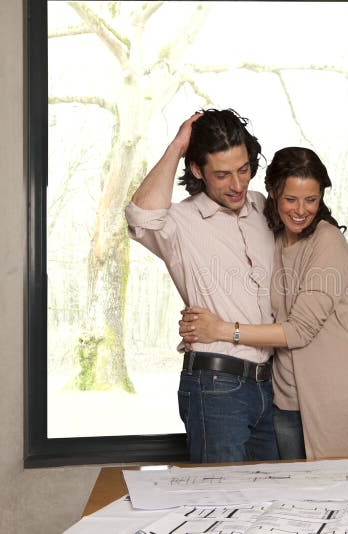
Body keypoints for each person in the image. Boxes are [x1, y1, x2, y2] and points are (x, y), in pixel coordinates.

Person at [179, 147, 348, 460]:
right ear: (272, 193)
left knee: (336, 498)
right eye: (291, 199)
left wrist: (218, 329)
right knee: (285, 502)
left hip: (330, 396)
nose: (301, 210)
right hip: (283, 400)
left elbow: (298, 330)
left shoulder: (327, 241)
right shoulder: (272, 239)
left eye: (311, 200)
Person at [125, 109, 279, 463]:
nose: (238, 185)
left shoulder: (261, 207)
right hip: (216, 386)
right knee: (220, 503)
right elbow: (140, 216)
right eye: (223, 175)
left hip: (273, 386)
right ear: (197, 170)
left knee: (271, 503)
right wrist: (178, 146)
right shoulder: (178, 222)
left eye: (243, 170)